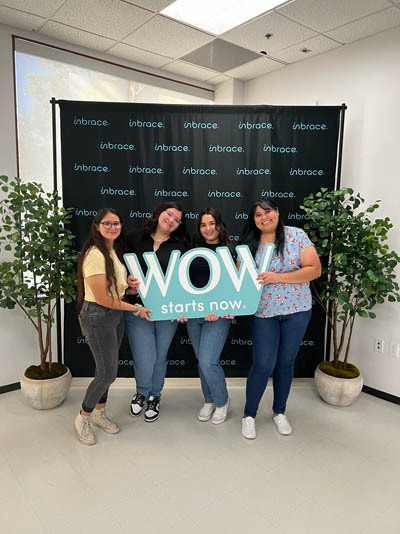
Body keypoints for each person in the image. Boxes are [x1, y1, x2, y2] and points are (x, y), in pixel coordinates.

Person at [240, 199, 321, 439]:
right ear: (253, 220)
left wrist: (278, 277)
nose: (263, 217)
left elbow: (314, 269)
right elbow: (239, 279)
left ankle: (279, 412)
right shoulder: (249, 244)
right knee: (263, 364)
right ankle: (249, 415)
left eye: (267, 211)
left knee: (286, 362)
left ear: (276, 212)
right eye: (258, 214)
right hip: (264, 312)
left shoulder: (296, 235)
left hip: (297, 311)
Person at [75, 208, 151, 446]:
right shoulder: (95, 254)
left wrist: (127, 287)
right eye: (107, 223)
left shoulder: (112, 251)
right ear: (97, 226)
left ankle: (99, 413)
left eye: (116, 223)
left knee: (107, 371)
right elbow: (102, 298)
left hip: (113, 314)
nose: (112, 227)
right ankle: (83, 417)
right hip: (98, 316)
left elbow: (112, 288)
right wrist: (136, 308)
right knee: (106, 374)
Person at [125, 202, 189, 422]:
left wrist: (182, 306)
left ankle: (154, 395)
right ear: (159, 213)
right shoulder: (134, 238)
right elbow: (118, 267)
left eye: (177, 219)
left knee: (160, 357)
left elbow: (183, 280)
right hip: (137, 308)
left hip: (166, 311)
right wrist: (126, 282)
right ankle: (141, 392)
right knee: (145, 358)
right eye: (169, 214)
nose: (171, 220)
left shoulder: (180, 246)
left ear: (179, 225)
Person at [186, 208, 234, 425]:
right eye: (203, 224)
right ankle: (209, 400)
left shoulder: (230, 251)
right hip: (194, 313)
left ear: (219, 225)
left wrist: (222, 308)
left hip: (218, 314)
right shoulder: (192, 250)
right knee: (201, 361)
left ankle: (222, 401)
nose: (207, 228)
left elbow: (235, 284)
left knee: (208, 361)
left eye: (211, 223)